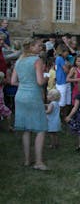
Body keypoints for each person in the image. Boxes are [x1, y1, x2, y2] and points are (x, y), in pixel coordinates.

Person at [11, 38, 49, 170]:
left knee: (26, 129)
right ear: (31, 47)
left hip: (20, 95)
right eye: (39, 46)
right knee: (41, 128)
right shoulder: (37, 60)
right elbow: (39, 82)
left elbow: (13, 81)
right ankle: (38, 162)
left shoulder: (19, 61)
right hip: (33, 96)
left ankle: (27, 160)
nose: (41, 47)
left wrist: (25, 84)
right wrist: (46, 78)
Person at [55, 44, 71, 119]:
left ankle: (65, 116)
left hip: (66, 82)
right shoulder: (60, 58)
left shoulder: (64, 59)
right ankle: (58, 117)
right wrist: (69, 67)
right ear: (61, 52)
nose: (67, 53)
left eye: (67, 51)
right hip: (62, 82)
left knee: (67, 101)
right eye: (65, 51)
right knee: (62, 102)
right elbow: (66, 70)